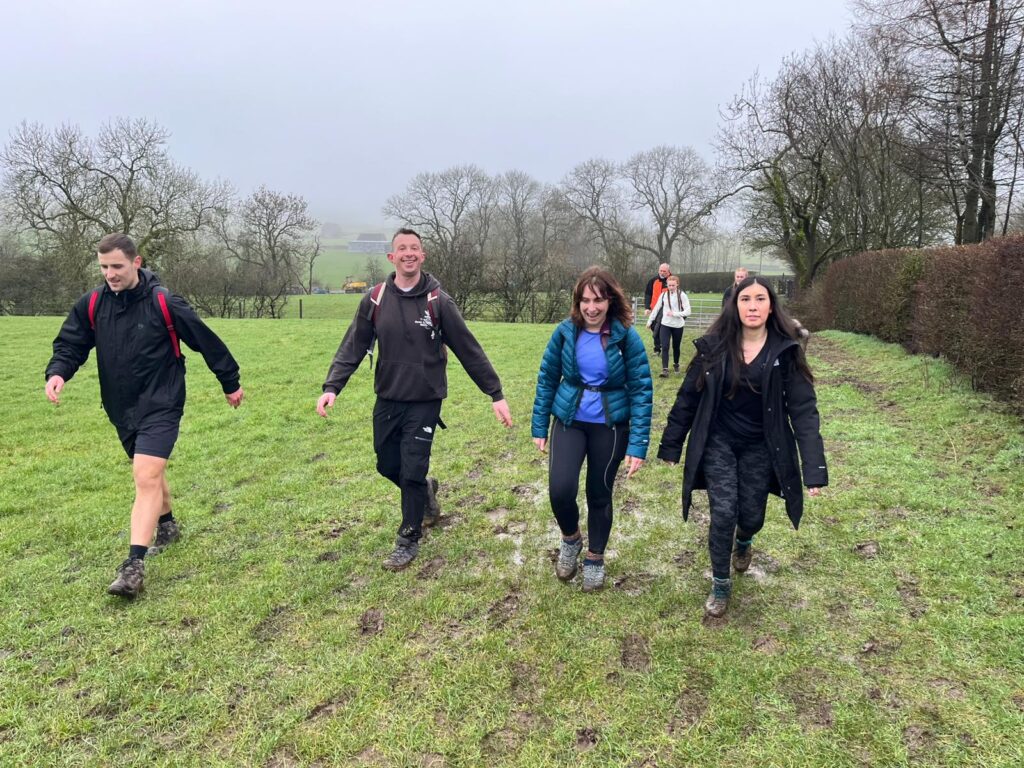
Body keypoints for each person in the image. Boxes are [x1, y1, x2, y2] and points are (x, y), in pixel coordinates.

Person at [45, 233, 244, 598]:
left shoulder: (164, 302)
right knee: (148, 472)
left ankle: (133, 566)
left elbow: (206, 341)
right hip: (120, 406)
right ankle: (167, 526)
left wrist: (229, 382)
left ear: (136, 262)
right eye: (104, 267)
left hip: (162, 401)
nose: (110, 274)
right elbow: (71, 344)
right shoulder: (92, 304)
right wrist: (58, 372)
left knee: (146, 473)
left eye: (117, 266)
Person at [317, 228, 512, 571]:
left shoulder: (439, 301)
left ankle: (408, 538)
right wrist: (332, 386)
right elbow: (354, 345)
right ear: (391, 257)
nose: (409, 253)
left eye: (414, 248)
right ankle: (426, 491)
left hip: (425, 400)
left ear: (422, 256)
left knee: (411, 469)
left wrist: (494, 393)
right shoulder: (375, 299)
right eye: (402, 248)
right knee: (386, 464)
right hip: (388, 397)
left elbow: (468, 349)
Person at [657, 276, 827, 617]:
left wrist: (814, 468)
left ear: (771, 307)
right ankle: (720, 582)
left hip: (761, 446)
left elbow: (804, 411)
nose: (752, 306)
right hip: (718, 441)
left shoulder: (785, 352)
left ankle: (745, 539)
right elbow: (688, 397)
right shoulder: (714, 347)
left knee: (751, 516)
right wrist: (672, 444)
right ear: (734, 306)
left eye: (760, 299)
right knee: (723, 513)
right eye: (745, 299)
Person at [531, 267, 653, 592]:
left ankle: (595, 558)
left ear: (610, 300)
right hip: (569, 420)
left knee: (599, 493)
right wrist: (539, 425)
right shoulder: (565, 333)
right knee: (560, 489)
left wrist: (638, 444)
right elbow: (547, 378)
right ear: (577, 301)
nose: (591, 307)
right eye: (585, 300)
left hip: (610, 427)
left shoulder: (626, 337)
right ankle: (571, 539)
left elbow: (641, 389)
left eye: (598, 300)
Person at [646, 274, 692, 377]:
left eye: (673, 285)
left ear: (677, 284)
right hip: (665, 324)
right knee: (665, 346)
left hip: (678, 325)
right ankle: (665, 370)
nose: (671, 287)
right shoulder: (663, 295)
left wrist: (675, 314)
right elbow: (656, 308)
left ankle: (676, 364)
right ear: (667, 284)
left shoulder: (682, 295)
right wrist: (649, 321)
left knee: (676, 346)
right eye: (669, 285)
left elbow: (688, 311)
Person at [644, 263, 671, 354]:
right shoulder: (653, 281)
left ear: (668, 272)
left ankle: (658, 349)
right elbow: (648, 294)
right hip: (654, 309)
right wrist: (647, 307)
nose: (662, 273)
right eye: (661, 271)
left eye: (664, 271)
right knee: (653, 327)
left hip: (666, 310)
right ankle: (661, 345)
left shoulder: (672, 281)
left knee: (660, 329)